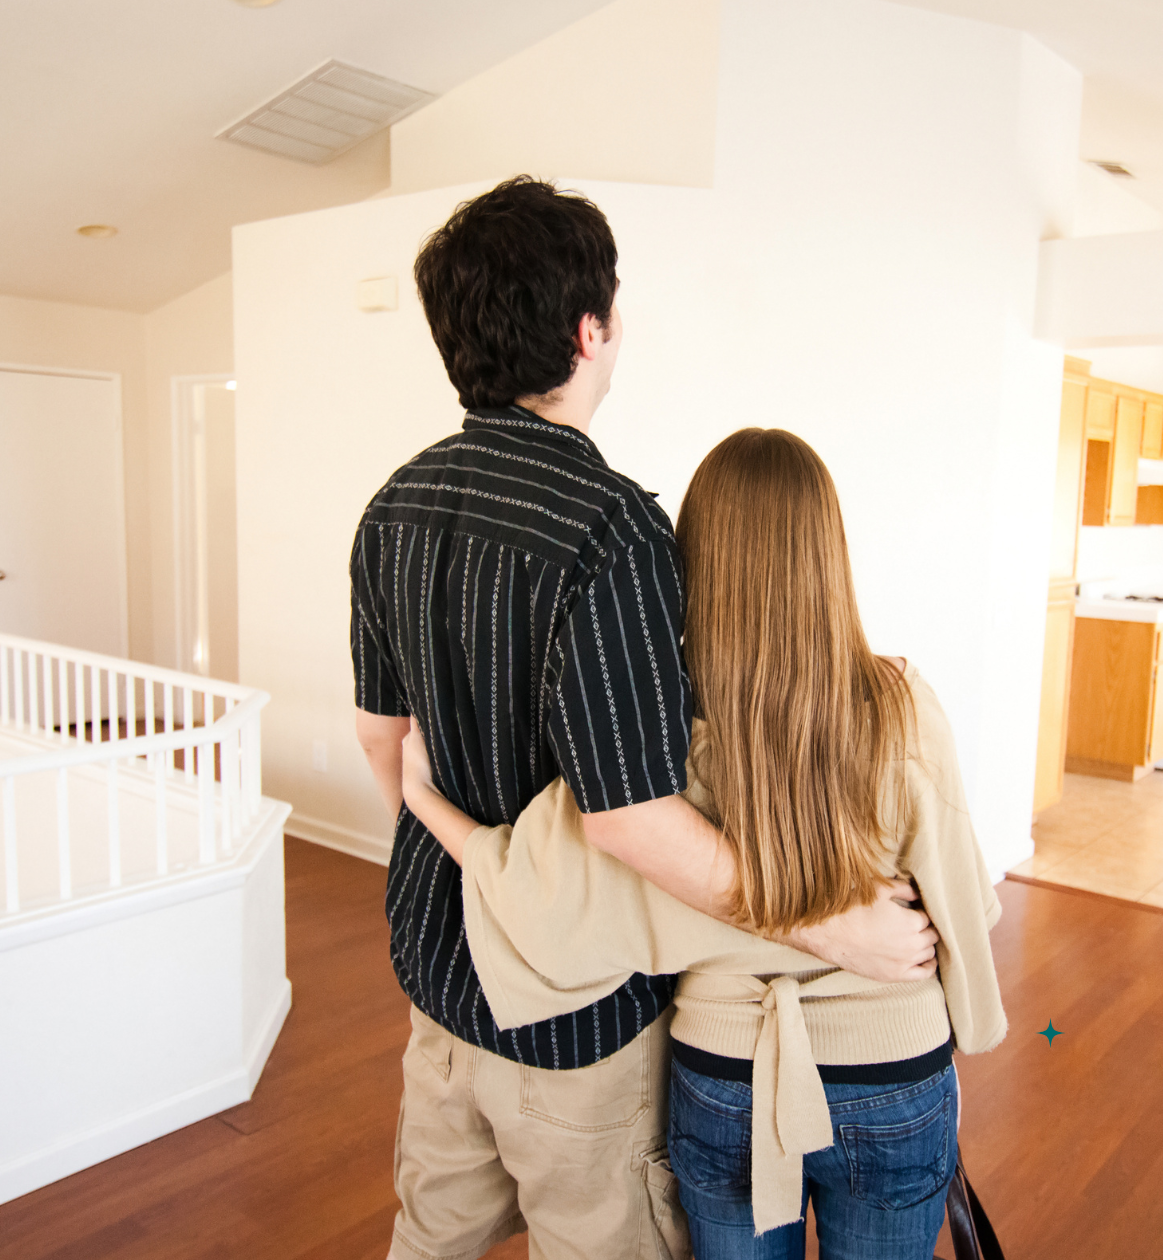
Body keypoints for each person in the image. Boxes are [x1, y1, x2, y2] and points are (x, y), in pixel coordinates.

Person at [350, 178, 940, 1260]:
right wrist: (835, 926)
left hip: (437, 980)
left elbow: (384, 744)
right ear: (589, 330)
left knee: (428, 1240)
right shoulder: (610, 531)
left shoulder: (393, 506)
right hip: (569, 1023)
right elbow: (629, 821)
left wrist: (442, 813)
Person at [399, 427, 1009, 1260]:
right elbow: (966, 908)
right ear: (827, 553)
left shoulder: (658, 744)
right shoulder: (903, 708)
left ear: (693, 561)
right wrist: (962, 1012)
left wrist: (421, 799)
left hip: (722, 1078)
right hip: (892, 1079)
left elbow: (525, 883)